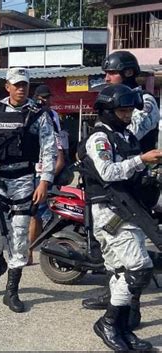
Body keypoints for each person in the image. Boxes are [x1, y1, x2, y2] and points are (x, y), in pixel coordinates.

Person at [81, 51, 161, 322]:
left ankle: (130, 311)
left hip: (134, 182)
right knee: (113, 250)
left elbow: (127, 133)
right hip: (115, 184)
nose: (105, 78)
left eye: (110, 73)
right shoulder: (113, 108)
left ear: (127, 73)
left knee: (135, 251)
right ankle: (114, 296)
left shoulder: (143, 101)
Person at [0, 68, 57, 312]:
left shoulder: (38, 114)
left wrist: (44, 181)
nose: (21, 89)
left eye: (25, 85)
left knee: (19, 236)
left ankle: (12, 291)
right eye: (16, 84)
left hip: (24, 179)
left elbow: (49, 149)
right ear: (7, 86)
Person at [28, 84, 65, 265]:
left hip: (45, 173)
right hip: (33, 171)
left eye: (47, 98)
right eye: (42, 98)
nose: (45, 101)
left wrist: (47, 178)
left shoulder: (52, 117)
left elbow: (60, 156)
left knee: (37, 213)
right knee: (33, 214)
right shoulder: (29, 115)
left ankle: (31, 250)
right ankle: (32, 249)